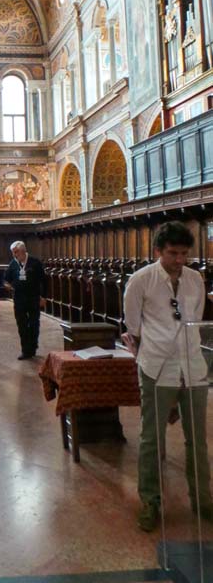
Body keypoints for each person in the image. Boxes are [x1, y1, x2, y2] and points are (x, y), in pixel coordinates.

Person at [123, 221, 212, 532]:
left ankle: (202, 499)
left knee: (197, 440)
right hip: (157, 367)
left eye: (184, 254)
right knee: (151, 438)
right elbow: (132, 327)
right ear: (157, 251)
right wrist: (146, 353)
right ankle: (150, 500)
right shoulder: (140, 280)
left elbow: (197, 321)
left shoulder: (195, 279)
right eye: (173, 253)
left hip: (193, 367)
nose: (179, 260)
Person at [4, 240, 46, 359]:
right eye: (13, 252)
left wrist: (44, 296)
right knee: (21, 325)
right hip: (19, 299)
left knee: (33, 324)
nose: (14, 255)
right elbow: (6, 279)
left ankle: (32, 347)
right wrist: (7, 285)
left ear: (23, 251)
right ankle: (25, 350)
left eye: (16, 252)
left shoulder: (35, 262)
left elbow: (44, 280)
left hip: (33, 298)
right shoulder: (13, 264)